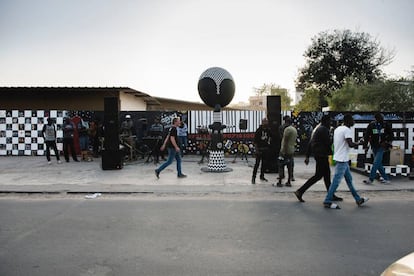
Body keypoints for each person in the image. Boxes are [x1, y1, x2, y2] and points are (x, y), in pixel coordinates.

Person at [323, 114, 368, 209]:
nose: (353, 122)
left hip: (341, 158)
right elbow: (351, 144)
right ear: (348, 121)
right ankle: (327, 200)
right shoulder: (347, 130)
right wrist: (360, 143)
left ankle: (358, 199)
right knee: (336, 181)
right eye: (352, 120)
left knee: (349, 181)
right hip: (342, 159)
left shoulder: (338, 129)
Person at [294, 115, 342, 202]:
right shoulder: (323, 129)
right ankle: (300, 191)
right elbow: (328, 142)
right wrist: (332, 137)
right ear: (325, 121)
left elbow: (310, 142)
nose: (330, 124)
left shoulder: (318, 128)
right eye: (329, 122)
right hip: (321, 155)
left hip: (319, 155)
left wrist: (307, 156)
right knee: (318, 176)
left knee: (326, 175)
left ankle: (331, 194)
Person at [363, 113, 394, 185]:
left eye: (382, 118)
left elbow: (391, 135)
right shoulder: (371, 125)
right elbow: (367, 136)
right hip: (374, 146)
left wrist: (386, 141)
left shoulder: (386, 125)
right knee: (378, 164)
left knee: (376, 162)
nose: (382, 120)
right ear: (376, 119)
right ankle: (386, 179)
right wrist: (365, 146)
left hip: (382, 147)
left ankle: (370, 179)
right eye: (380, 119)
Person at [275, 116, 297, 187]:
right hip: (291, 150)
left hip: (285, 150)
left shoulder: (286, 129)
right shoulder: (294, 129)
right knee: (290, 165)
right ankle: (289, 181)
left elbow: (285, 140)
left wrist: (283, 151)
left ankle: (280, 181)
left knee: (281, 165)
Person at [251, 118, 272, 184]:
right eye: (265, 122)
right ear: (262, 123)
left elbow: (271, 138)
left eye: (267, 122)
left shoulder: (268, 130)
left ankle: (262, 176)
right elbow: (255, 141)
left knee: (264, 164)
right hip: (260, 149)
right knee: (257, 164)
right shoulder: (259, 130)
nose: (266, 124)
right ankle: (253, 177)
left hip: (266, 149)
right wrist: (257, 150)